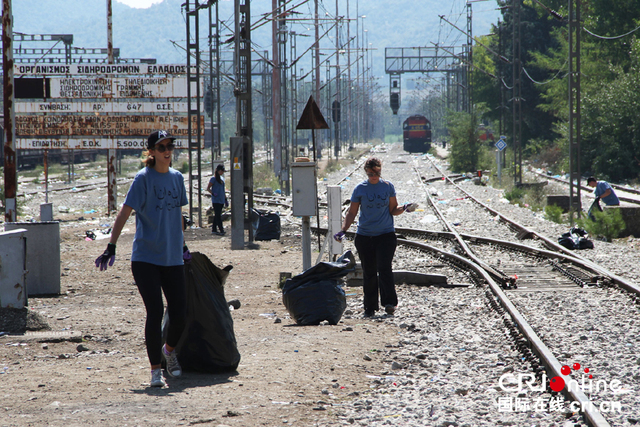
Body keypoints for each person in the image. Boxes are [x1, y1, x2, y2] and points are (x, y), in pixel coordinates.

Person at [95, 130, 190, 388]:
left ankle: (168, 353)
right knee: (156, 311)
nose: (167, 151)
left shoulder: (178, 179)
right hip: (146, 258)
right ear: (151, 152)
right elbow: (124, 213)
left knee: (180, 313)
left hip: (172, 258)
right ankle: (155, 371)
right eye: (161, 147)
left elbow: (177, 215)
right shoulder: (143, 179)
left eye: (170, 146)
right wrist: (111, 246)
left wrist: (183, 245)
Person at [333, 157, 417, 317]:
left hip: (385, 235)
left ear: (380, 171)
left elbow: (393, 209)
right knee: (369, 272)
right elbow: (352, 212)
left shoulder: (387, 187)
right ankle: (370, 308)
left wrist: (405, 208)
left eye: (376, 172)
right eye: (371, 173)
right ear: (366, 172)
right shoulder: (360, 189)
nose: (373, 176)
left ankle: (389, 303)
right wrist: (343, 230)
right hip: (365, 236)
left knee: (385, 268)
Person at [207, 164, 229, 235]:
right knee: (218, 215)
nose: (222, 172)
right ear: (219, 171)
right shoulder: (213, 179)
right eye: (222, 171)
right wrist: (213, 193)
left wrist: (225, 199)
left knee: (217, 215)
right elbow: (208, 188)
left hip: (221, 200)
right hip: (216, 200)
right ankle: (221, 229)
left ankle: (214, 229)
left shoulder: (222, 179)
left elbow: (223, 190)